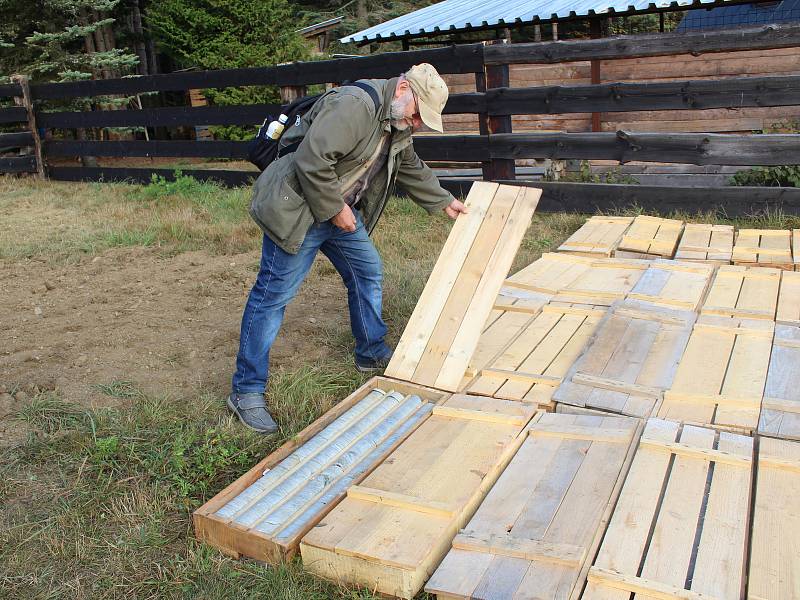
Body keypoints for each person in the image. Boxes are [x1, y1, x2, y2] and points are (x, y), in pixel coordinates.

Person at [229, 63, 467, 433]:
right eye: (419, 114)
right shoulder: (356, 105)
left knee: (367, 272)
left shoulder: (397, 122)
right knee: (272, 297)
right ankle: (246, 391)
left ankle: (370, 352)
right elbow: (312, 160)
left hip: (339, 214)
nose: (418, 123)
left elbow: (408, 164)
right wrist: (336, 209)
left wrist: (443, 200)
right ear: (403, 89)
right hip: (299, 211)